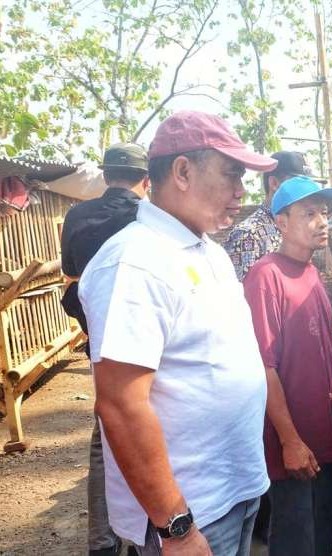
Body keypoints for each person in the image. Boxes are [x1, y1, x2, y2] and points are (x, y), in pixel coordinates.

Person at [79, 111, 277, 555]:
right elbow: (121, 406)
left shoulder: (207, 250)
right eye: (231, 174)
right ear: (183, 171)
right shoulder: (134, 262)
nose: (240, 192)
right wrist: (178, 528)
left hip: (234, 489)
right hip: (194, 512)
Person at [243, 176, 332, 556]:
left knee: (323, 528)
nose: (322, 221)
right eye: (309, 214)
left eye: (324, 212)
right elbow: (263, 365)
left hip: (323, 432)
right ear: (281, 222)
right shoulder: (266, 276)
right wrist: (289, 441)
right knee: (294, 538)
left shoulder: (312, 273)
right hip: (292, 441)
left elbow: (321, 344)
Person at [60, 142, 150, 556]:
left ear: (106, 175)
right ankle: (143, 535)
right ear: (146, 180)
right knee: (146, 434)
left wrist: (92, 328)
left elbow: (72, 286)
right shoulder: (145, 218)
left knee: (106, 440)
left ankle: (103, 541)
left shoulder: (76, 216)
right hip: (145, 348)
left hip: (101, 348)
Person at [224, 151, 315, 281]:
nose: (306, 192)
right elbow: (238, 296)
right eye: (297, 185)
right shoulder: (248, 236)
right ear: (274, 183)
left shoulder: (298, 229)